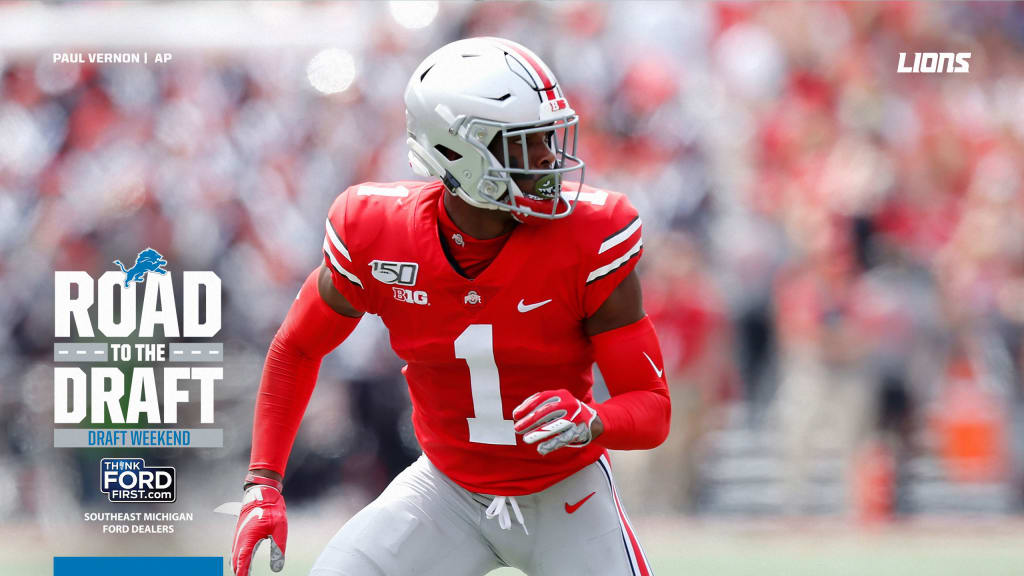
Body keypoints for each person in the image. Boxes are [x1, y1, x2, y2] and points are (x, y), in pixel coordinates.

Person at [228, 37, 670, 576]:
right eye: (523, 144)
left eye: (548, 138)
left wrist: (592, 420)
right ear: (456, 152)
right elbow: (296, 348)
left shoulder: (592, 235)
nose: (549, 159)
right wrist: (263, 485)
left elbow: (652, 408)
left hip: (564, 494)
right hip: (444, 491)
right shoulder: (376, 231)